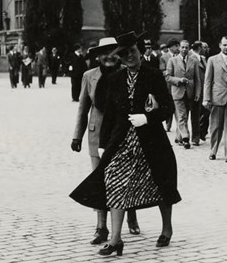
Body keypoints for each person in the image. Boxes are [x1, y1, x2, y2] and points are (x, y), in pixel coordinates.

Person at [70, 31, 180, 256]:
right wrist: (103, 143)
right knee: (114, 183)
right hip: (121, 141)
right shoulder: (114, 79)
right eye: (124, 54)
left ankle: (166, 228)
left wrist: (148, 117)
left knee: (161, 181)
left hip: (150, 139)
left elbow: (168, 108)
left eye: (132, 51)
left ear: (141, 51)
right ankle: (116, 239)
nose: (129, 56)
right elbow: (109, 114)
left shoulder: (153, 75)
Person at [71, 37, 141, 243]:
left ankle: (131, 214)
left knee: (124, 177)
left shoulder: (126, 74)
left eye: (113, 52)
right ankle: (101, 227)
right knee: (99, 181)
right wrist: (77, 136)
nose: (108, 56)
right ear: (98, 56)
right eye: (104, 53)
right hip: (96, 136)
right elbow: (83, 108)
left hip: (121, 135)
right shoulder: (89, 76)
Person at [166, 40, 202, 149]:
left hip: (190, 92)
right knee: (182, 116)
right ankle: (186, 138)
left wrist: (197, 93)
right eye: (182, 47)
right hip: (177, 92)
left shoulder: (193, 61)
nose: (184, 49)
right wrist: (179, 80)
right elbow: (168, 77)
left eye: (186, 47)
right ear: (179, 48)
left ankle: (179, 137)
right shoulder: (172, 61)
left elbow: (197, 79)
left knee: (185, 115)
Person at [189, 41, 208, 146]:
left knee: (206, 112)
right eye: (204, 47)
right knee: (195, 114)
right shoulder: (191, 57)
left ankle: (201, 133)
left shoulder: (203, 59)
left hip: (204, 89)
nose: (206, 49)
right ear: (200, 48)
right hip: (195, 89)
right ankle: (195, 137)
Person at [160, 38, 180, 132]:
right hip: (168, 85)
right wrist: (171, 73)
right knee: (169, 105)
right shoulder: (164, 57)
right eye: (176, 46)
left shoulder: (180, 56)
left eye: (178, 46)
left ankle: (179, 129)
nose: (178, 48)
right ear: (170, 47)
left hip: (178, 85)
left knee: (178, 109)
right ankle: (168, 125)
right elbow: (162, 70)